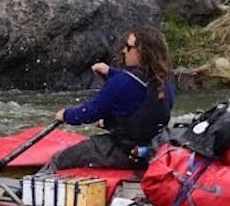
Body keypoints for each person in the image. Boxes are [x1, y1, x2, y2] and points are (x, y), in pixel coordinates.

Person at [50, 27, 175, 170]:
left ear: (142, 52)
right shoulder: (165, 81)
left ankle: (27, 189)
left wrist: (66, 115)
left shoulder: (121, 83)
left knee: (59, 159)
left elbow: (89, 112)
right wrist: (110, 72)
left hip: (122, 152)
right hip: (150, 151)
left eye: (129, 47)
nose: (124, 51)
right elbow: (139, 94)